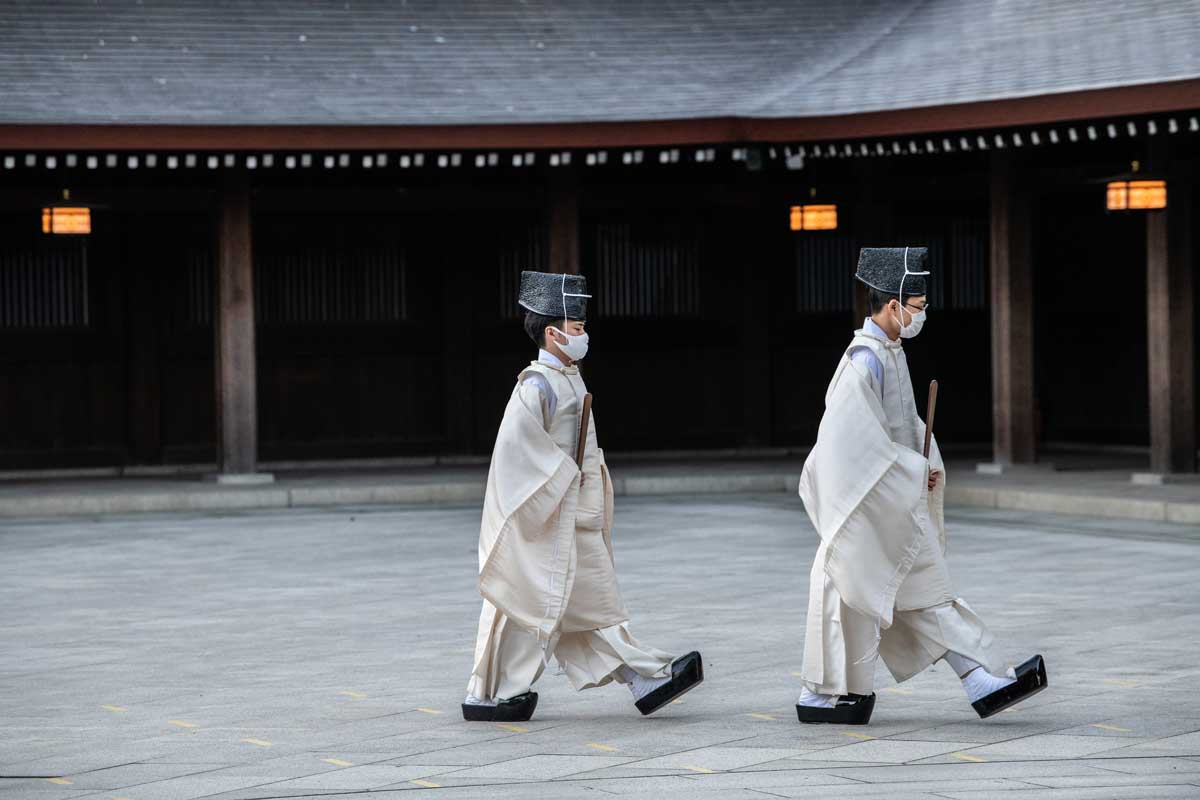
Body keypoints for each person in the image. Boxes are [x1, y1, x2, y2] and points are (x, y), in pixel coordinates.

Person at [795, 247, 1046, 725]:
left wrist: (922, 462)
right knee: (903, 594)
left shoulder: (889, 353)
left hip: (891, 499)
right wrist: (908, 469)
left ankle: (833, 695)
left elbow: (901, 426)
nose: (921, 314)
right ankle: (824, 695)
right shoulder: (862, 361)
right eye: (918, 306)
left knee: (913, 595)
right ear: (893, 306)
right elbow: (850, 444)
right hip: (871, 507)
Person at [462, 270, 703, 722]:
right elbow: (516, 457)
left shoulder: (567, 376)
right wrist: (565, 479)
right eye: (576, 328)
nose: (583, 335)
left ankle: (639, 677)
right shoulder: (534, 386)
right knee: (527, 602)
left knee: (580, 602)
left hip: (571, 510)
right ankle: (489, 691)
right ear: (552, 333)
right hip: (548, 513)